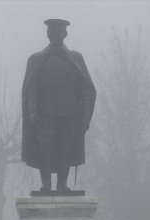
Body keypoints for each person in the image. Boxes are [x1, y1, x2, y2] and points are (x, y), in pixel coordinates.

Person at [21, 18, 96, 193]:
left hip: (70, 112)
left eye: (58, 33)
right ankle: (46, 185)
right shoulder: (36, 58)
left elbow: (87, 88)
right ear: (47, 34)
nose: (54, 36)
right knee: (44, 147)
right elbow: (31, 87)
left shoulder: (76, 58)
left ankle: (62, 184)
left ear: (65, 34)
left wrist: (85, 116)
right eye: (51, 33)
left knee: (66, 146)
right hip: (45, 111)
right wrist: (32, 109)